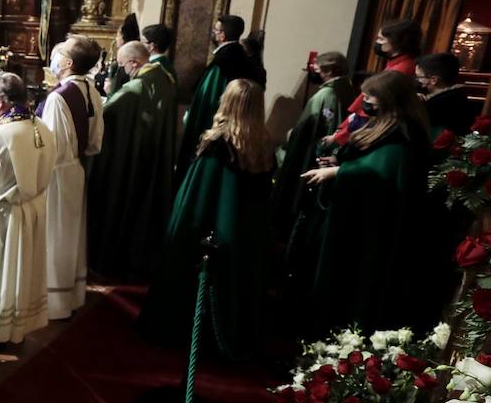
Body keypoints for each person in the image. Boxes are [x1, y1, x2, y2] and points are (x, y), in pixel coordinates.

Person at [140, 79, 273, 352]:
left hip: (208, 233)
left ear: (227, 102)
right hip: (245, 234)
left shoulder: (218, 144)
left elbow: (200, 196)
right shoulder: (263, 145)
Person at [300, 70, 430, 334]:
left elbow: (380, 173)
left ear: (389, 99)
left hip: (370, 230)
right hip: (353, 216)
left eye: (370, 96)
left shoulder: (403, 134)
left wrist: (338, 172)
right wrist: (340, 162)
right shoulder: (384, 123)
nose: (365, 101)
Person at [0, 71, 57, 344]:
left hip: (0, 217)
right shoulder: (41, 127)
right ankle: (15, 327)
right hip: (31, 211)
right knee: (18, 275)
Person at [88, 40, 178, 280]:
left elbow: (105, 119)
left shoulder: (133, 90)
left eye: (121, 65)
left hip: (133, 161)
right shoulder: (164, 77)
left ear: (134, 62)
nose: (121, 70)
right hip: (154, 156)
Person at [39, 36, 104, 319]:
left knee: (56, 233)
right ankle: (72, 295)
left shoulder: (59, 97)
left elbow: (51, 145)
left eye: (60, 52)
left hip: (57, 172)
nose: (54, 56)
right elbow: (95, 141)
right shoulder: (91, 89)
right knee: (71, 232)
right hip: (76, 168)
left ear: (68, 63)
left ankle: (54, 302)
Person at [270, 51, 354, 240]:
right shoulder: (346, 87)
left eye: (318, 70)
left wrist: (295, 134)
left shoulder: (327, 94)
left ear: (330, 70)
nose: (315, 73)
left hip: (313, 154)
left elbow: (317, 127)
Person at [175, 15, 259, 174]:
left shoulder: (223, 62)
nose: (213, 33)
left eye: (215, 30)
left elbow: (207, 100)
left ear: (222, 35)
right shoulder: (243, 57)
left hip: (217, 133)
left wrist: (193, 118)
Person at [330, 19, 421, 143]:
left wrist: (340, 136)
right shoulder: (396, 63)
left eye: (381, 39)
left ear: (397, 42)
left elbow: (370, 113)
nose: (377, 42)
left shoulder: (401, 69)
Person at [417, 51, 476, 138]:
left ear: (433, 80)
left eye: (419, 77)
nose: (418, 81)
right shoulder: (458, 96)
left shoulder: (437, 106)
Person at [102, 14, 139, 99]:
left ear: (123, 37)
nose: (116, 39)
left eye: (117, 35)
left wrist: (109, 91)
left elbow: (116, 95)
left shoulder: (124, 64)